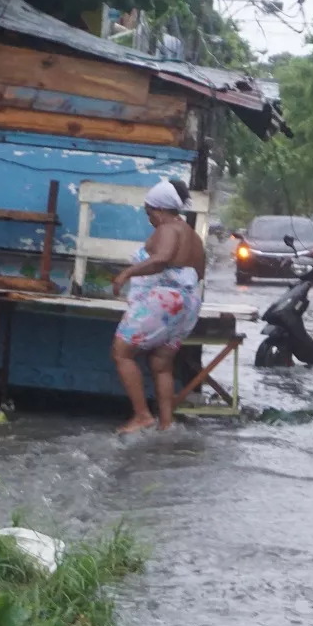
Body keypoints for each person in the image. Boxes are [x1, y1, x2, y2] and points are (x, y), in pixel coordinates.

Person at [111, 179, 205, 434]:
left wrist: (126, 273)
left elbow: (161, 260)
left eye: (149, 213)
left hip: (165, 301)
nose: (150, 219)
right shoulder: (192, 235)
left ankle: (142, 415)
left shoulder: (167, 228)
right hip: (189, 304)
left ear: (161, 210)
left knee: (122, 352)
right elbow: (198, 273)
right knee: (162, 363)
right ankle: (166, 423)